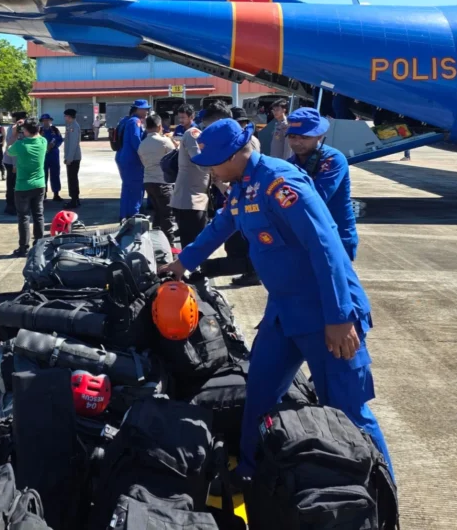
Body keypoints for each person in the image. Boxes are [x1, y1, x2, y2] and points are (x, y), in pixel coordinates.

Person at [159, 119, 393, 481]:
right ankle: (252, 474)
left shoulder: (280, 183)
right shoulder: (242, 184)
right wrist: (182, 262)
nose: (213, 171)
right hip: (284, 313)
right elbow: (222, 225)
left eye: (216, 162)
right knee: (261, 394)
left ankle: (381, 489)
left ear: (239, 154)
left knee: (348, 410)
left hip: (326, 310)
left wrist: (340, 318)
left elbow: (326, 249)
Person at [286, 108, 359, 261]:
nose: (297, 142)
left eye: (304, 137)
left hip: (336, 238)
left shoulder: (333, 160)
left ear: (319, 136)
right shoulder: (290, 164)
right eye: (292, 137)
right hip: (306, 237)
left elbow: (317, 198)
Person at [224, 107, 261, 286]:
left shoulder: (247, 142)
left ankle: (251, 272)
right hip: (241, 188)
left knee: (242, 239)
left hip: (249, 191)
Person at [170, 103, 212, 248]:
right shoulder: (193, 133)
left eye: (183, 117)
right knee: (193, 240)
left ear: (192, 117)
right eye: (179, 117)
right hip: (191, 197)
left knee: (190, 239)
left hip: (190, 194)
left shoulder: (191, 132)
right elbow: (200, 162)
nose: (180, 120)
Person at [7, 118, 47, 257]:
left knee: (24, 217)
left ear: (26, 131)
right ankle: (40, 245)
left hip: (23, 186)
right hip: (40, 184)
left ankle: (23, 247)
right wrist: (28, 128)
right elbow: (38, 135)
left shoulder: (20, 144)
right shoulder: (43, 141)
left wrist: (14, 134)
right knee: (38, 215)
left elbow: (9, 151)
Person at [138, 113, 177, 244]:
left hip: (148, 181)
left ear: (146, 126)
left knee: (158, 213)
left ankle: (155, 242)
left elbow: (143, 162)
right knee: (167, 214)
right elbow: (174, 158)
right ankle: (170, 244)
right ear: (160, 126)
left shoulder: (142, 144)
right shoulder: (165, 142)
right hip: (163, 182)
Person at [114, 100, 150, 219]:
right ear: (137, 109)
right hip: (133, 159)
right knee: (136, 187)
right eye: (144, 109)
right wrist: (145, 155)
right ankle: (134, 215)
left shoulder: (125, 120)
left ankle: (124, 214)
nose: (146, 111)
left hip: (124, 156)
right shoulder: (135, 121)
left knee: (127, 187)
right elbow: (136, 141)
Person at [3, 111, 27, 214]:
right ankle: (11, 205)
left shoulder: (21, 128)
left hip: (16, 161)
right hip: (13, 161)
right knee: (13, 184)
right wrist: (15, 165)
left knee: (14, 184)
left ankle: (13, 204)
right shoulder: (15, 129)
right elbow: (13, 147)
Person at [40, 114, 64, 202]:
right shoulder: (39, 131)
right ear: (42, 121)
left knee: (55, 174)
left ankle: (56, 194)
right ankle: (43, 194)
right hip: (43, 155)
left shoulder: (55, 129)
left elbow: (60, 139)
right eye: (44, 120)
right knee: (43, 175)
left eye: (47, 120)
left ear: (50, 121)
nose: (46, 122)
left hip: (54, 155)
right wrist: (44, 147)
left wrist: (53, 145)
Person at [63, 108, 83, 209]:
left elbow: (73, 144)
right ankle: (75, 198)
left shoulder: (74, 126)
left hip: (74, 157)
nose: (65, 118)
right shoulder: (70, 125)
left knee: (72, 179)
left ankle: (74, 199)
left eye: (66, 116)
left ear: (69, 116)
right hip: (72, 157)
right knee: (72, 178)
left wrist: (69, 158)